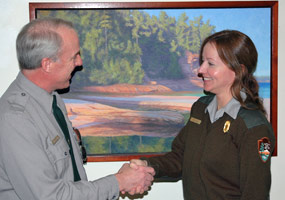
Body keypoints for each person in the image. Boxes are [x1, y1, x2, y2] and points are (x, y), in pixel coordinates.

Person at [0, 18, 155, 200]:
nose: (80, 62)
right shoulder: (16, 119)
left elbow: (70, 179)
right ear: (47, 64)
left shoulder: (53, 99)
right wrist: (118, 182)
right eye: (74, 56)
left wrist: (123, 179)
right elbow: (50, 197)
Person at [131, 30, 276, 199]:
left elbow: (255, 195)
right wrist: (147, 166)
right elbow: (180, 158)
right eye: (202, 62)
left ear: (238, 70)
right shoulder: (200, 109)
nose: (200, 70)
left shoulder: (253, 127)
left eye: (210, 63)